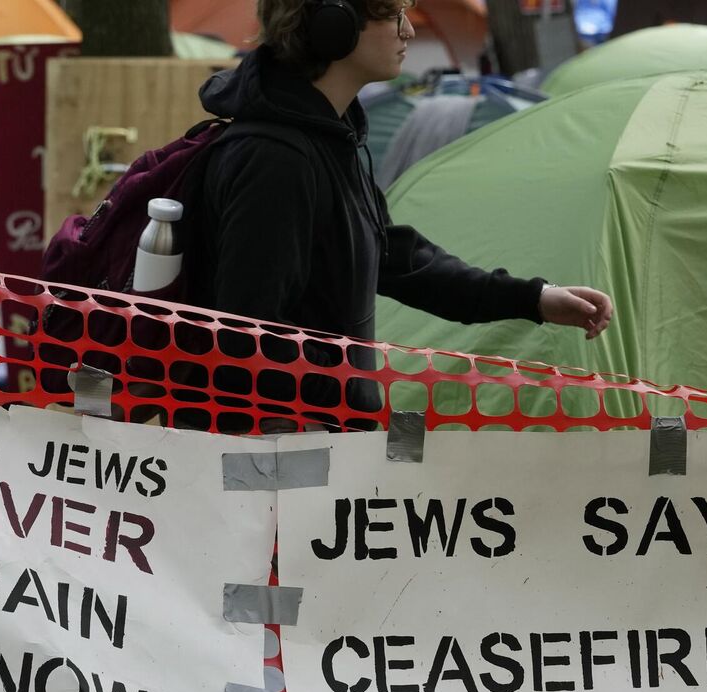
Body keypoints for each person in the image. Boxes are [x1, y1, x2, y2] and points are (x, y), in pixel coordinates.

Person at [184, 0, 614, 429]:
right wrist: (337, 403)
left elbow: (400, 260)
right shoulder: (276, 160)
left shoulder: (327, 139)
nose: (407, 31)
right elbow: (247, 337)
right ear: (335, 27)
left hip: (314, 441)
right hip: (277, 455)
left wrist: (532, 298)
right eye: (393, 16)